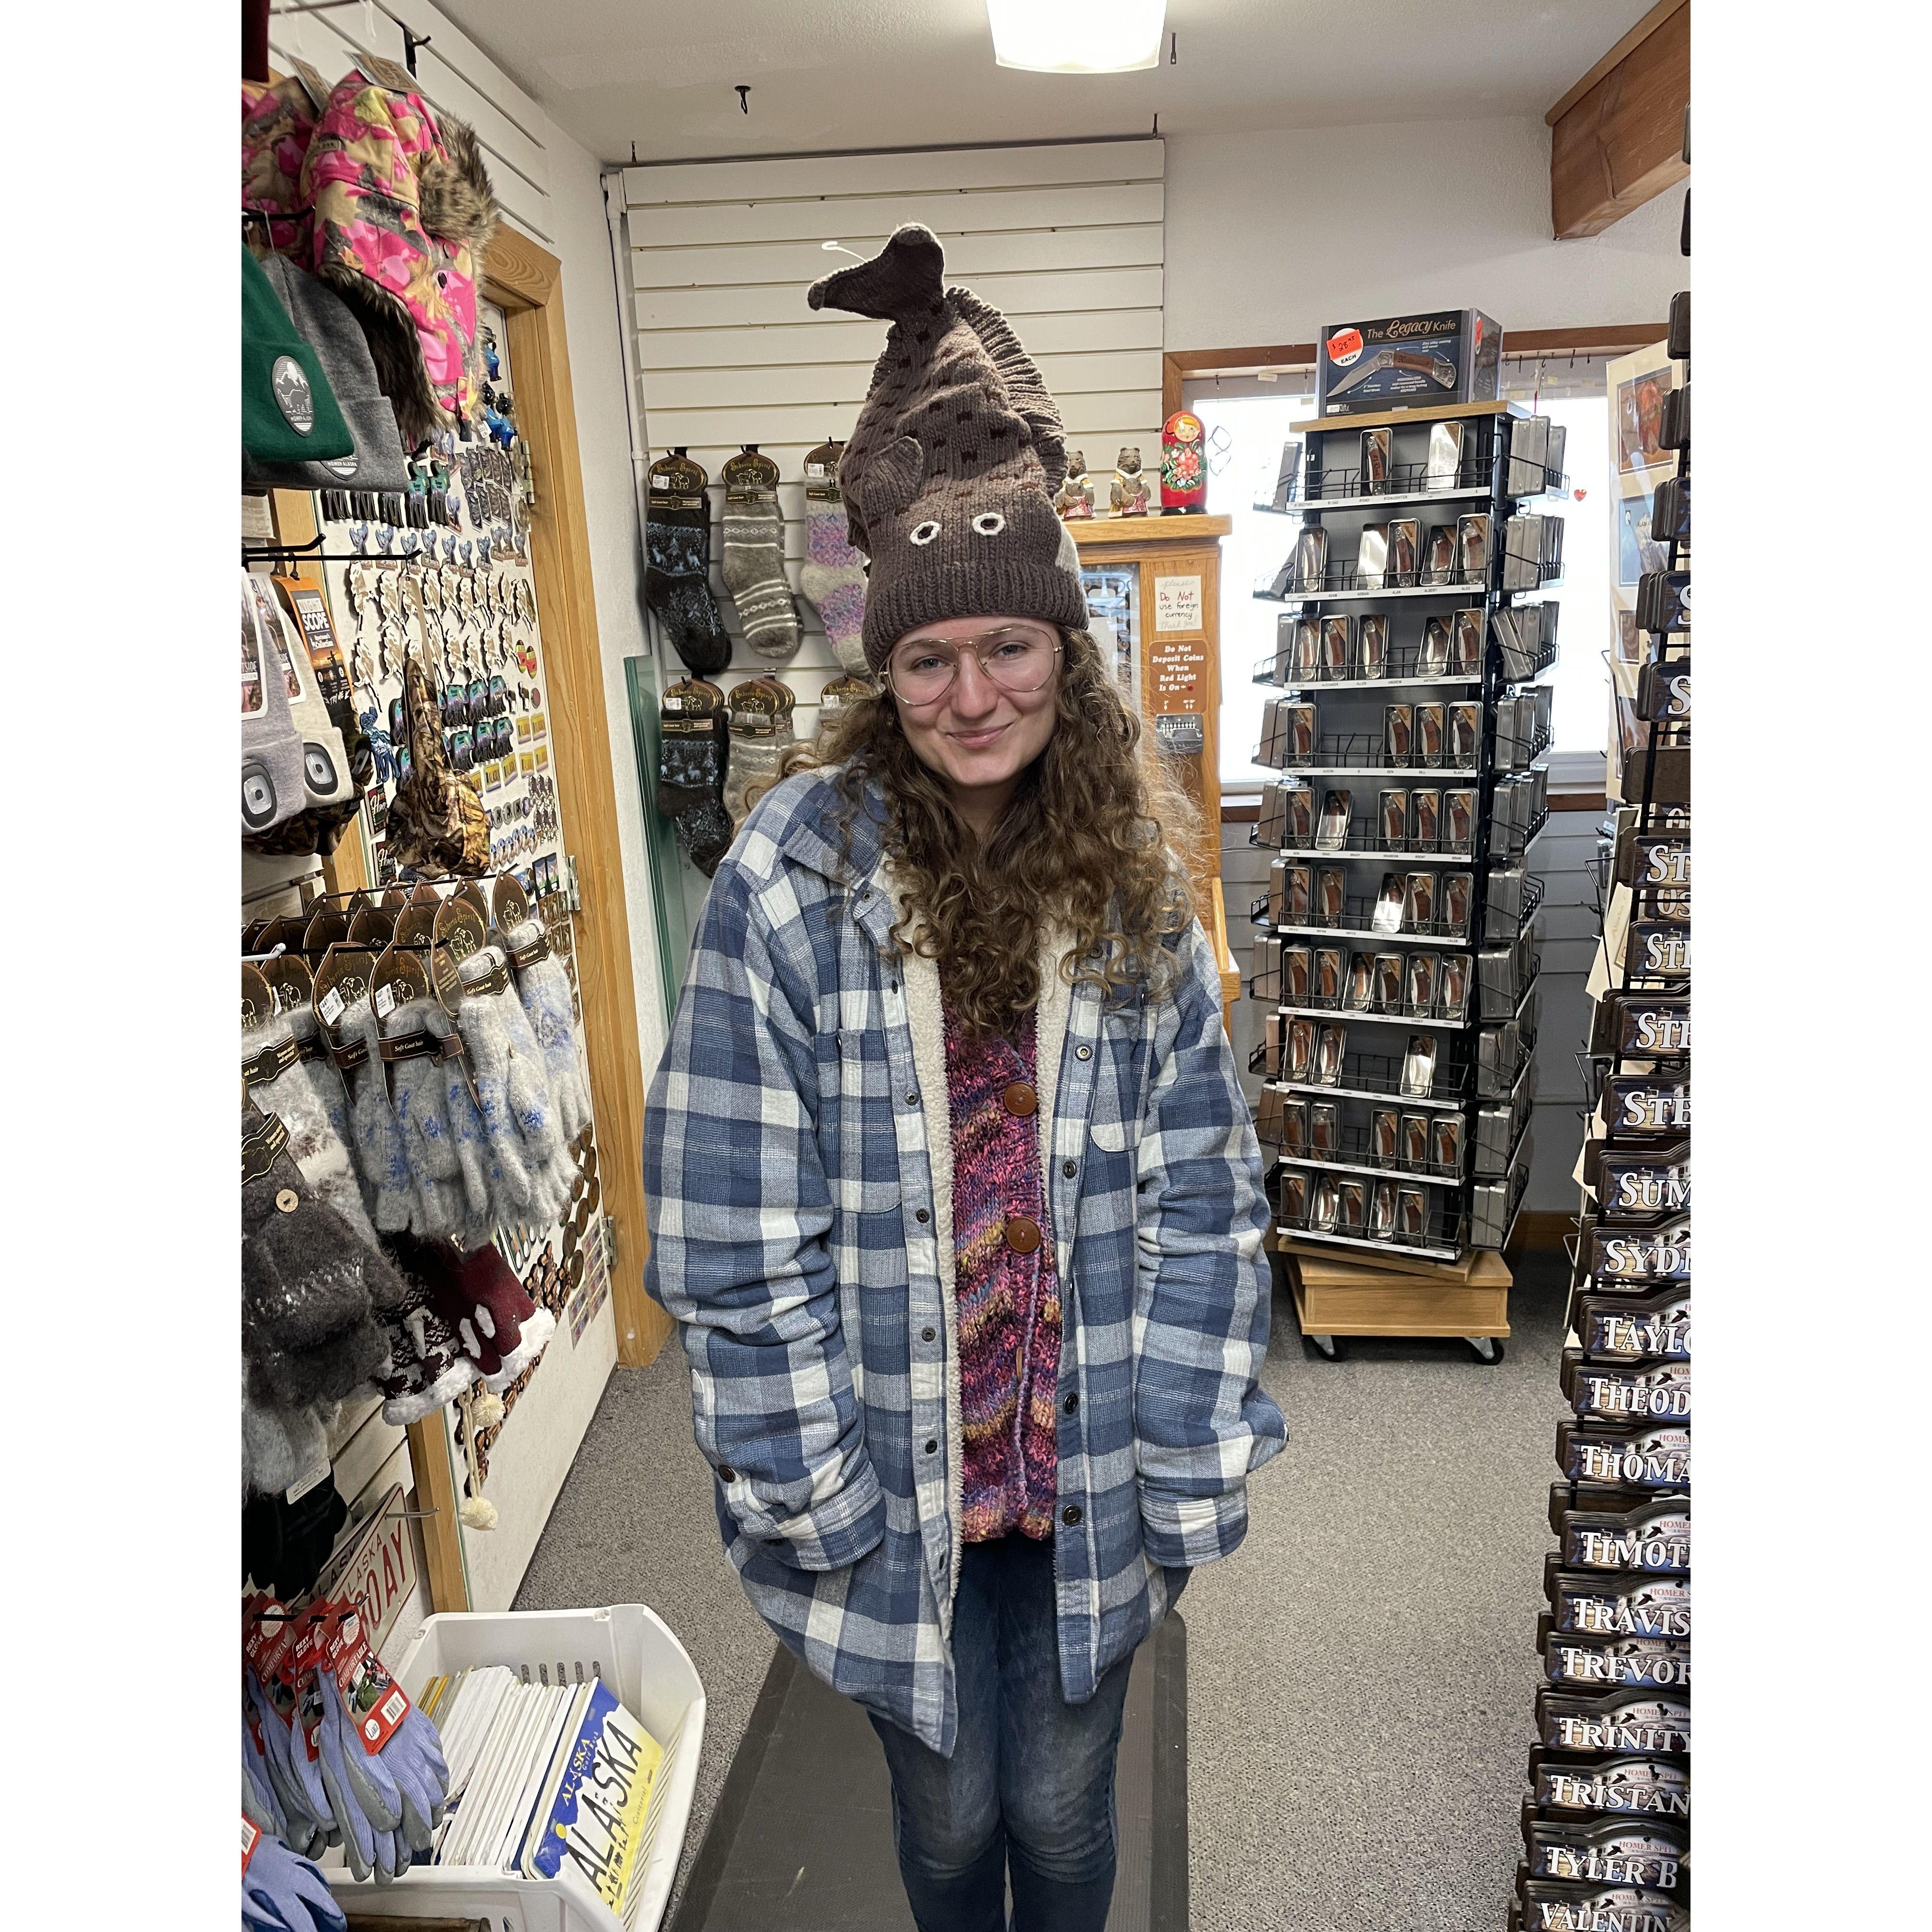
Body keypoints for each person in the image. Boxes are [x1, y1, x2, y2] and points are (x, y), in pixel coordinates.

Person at [644, 224, 1285, 1932]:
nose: (971, 692)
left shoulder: (1134, 873)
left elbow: (1210, 1190)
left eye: (1008, 645)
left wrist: (1181, 1447)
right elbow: (725, 1225)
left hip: (1088, 1460)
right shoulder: (790, 873)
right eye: (927, 659)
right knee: (942, 1823)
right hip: (885, 1465)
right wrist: (814, 1488)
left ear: (1064, 652)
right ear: (885, 672)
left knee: (1068, 1820)